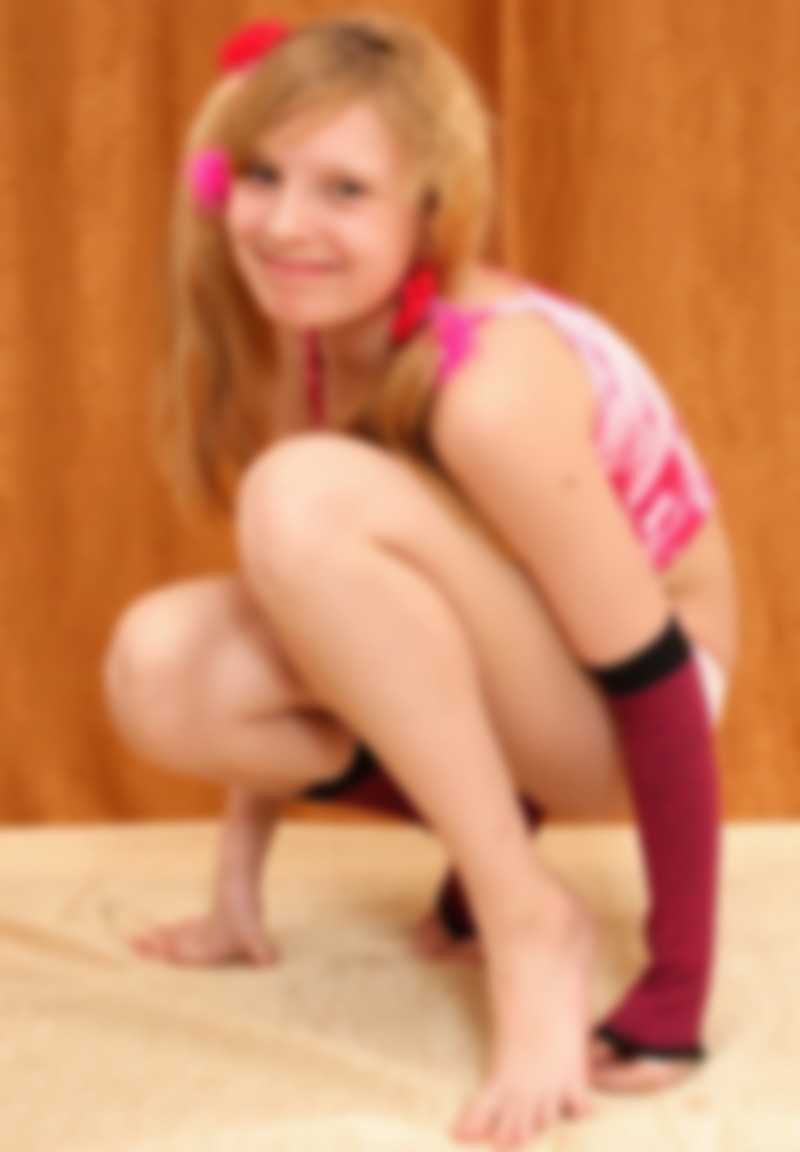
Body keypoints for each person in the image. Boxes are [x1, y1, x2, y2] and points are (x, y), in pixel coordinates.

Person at [103, 14, 738, 1149]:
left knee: (302, 495)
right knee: (159, 671)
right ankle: (500, 850)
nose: (284, 224)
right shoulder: (317, 330)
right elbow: (313, 586)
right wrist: (235, 882)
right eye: (261, 174)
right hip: (520, 658)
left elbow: (650, 680)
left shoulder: (490, 387)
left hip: (637, 707)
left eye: (344, 190)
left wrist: (676, 993)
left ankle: (527, 919)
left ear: (429, 214)